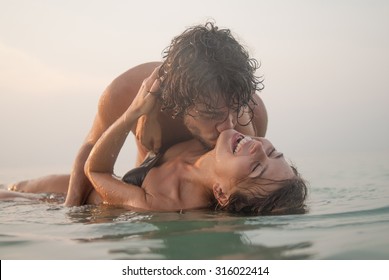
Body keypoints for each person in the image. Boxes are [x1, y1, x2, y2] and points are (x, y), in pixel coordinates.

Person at [10, 21, 269, 206]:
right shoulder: (126, 91)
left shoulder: (252, 113)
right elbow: (91, 148)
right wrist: (72, 214)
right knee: (23, 193)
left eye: (235, 109)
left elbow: (242, 182)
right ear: (176, 100)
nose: (228, 126)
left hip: (153, 202)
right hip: (134, 190)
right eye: (212, 114)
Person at [3, 67, 307, 215]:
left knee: (11, 198)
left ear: (221, 193)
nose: (259, 148)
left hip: (101, 204)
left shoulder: (164, 202)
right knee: (19, 186)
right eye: (274, 153)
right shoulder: (228, 144)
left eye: (257, 169)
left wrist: (71, 214)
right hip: (89, 189)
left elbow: (95, 172)